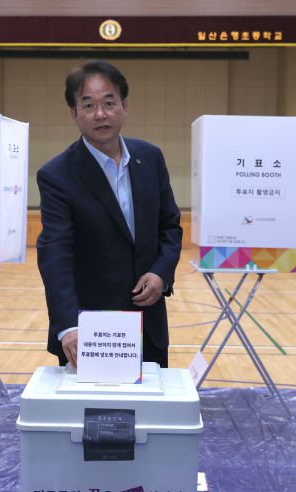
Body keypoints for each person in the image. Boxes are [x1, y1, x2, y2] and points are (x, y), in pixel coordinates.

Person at [36, 60, 182, 369]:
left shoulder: (151, 158)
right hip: (89, 332)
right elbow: (55, 254)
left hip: (149, 325)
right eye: (88, 105)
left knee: (152, 401)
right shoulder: (57, 175)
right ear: (73, 113)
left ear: (125, 105)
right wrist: (68, 325)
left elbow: (170, 227)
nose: (100, 114)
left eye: (109, 102)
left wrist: (161, 273)